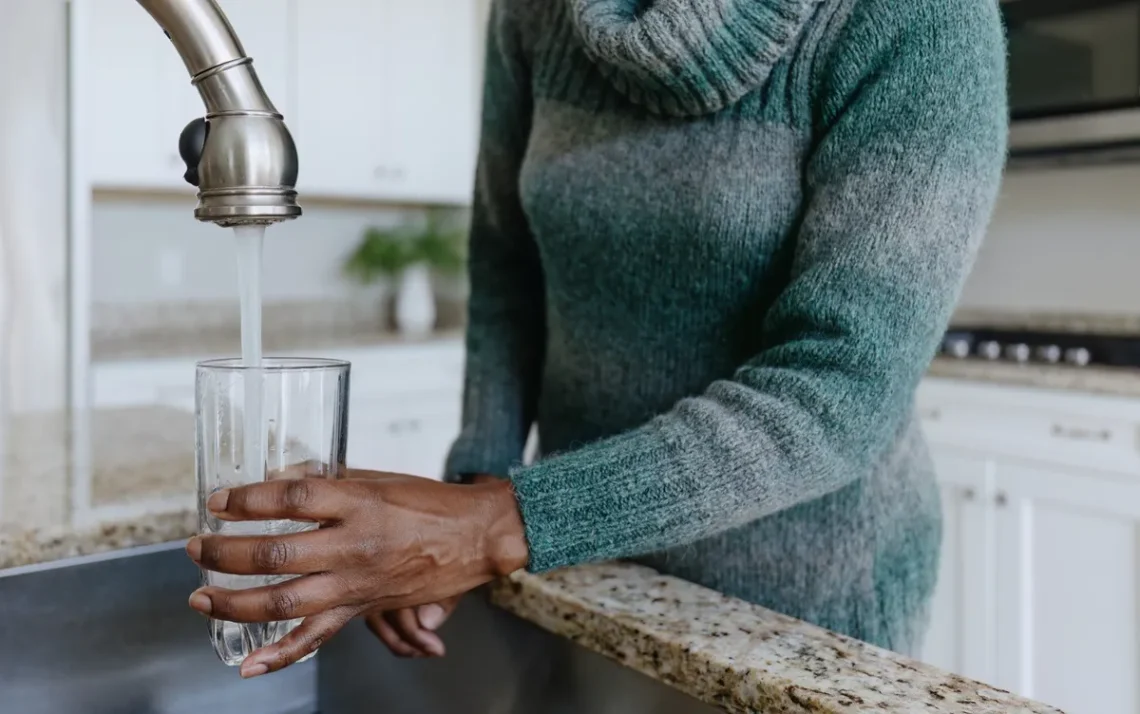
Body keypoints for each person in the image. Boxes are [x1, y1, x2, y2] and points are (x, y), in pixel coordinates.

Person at [183, 0, 1008, 680]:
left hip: (799, 599)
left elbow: (839, 392)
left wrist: (487, 526)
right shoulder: (535, 14)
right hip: (582, 561)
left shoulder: (919, 21)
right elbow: (508, 262)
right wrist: (470, 485)